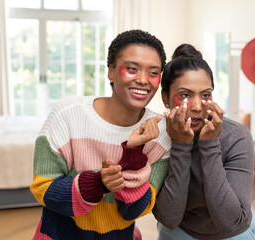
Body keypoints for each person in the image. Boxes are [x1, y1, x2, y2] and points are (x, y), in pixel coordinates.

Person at [30, 29, 171, 240]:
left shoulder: (160, 133)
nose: (143, 80)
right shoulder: (68, 113)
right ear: (111, 71)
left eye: (153, 72)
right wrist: (98, 184)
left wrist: (133, 155)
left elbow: (135, 211)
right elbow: (43, 188)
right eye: (132, 69)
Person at [152, 43, 255, 240]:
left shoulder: (237, 136)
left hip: (232, 234)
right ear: (166, 97)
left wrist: (209, 145)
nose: (198, 106)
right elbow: (169, 217)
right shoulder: (156, 137)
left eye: (206, 95)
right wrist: (181, 146)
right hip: (178, 232)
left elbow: (230, 221)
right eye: (185, 95)